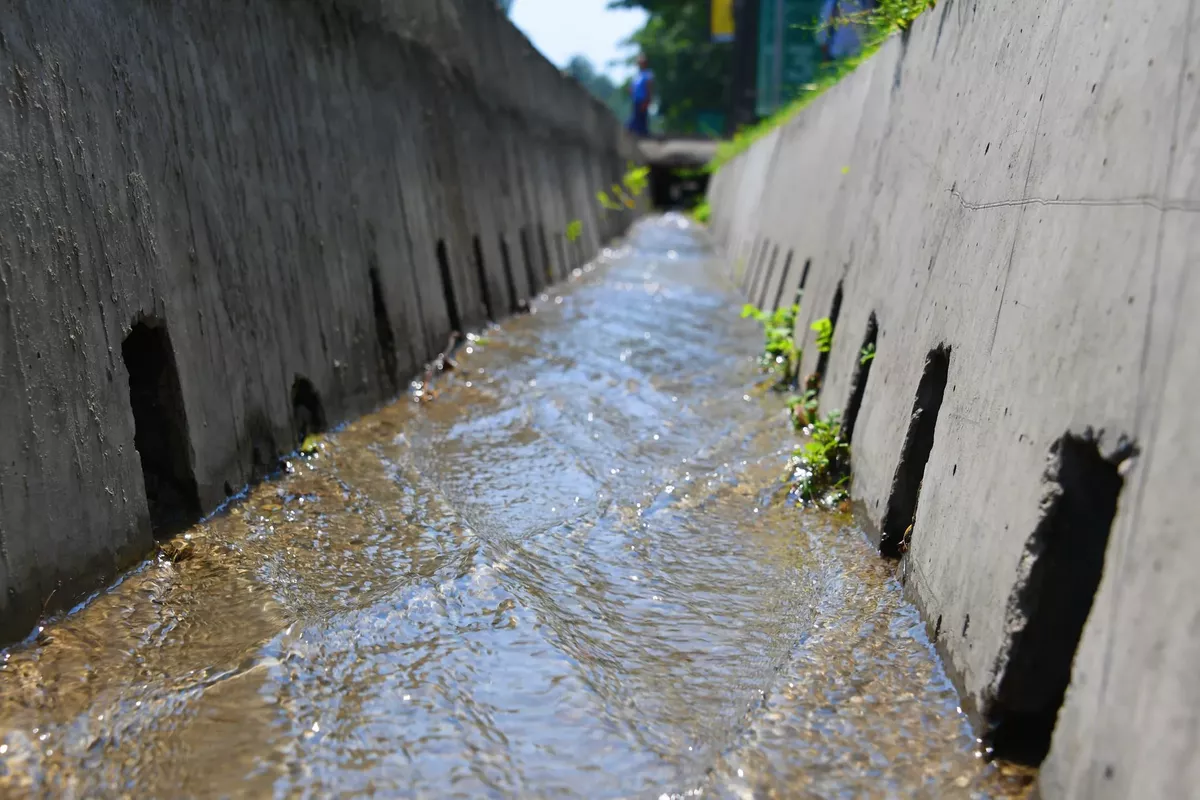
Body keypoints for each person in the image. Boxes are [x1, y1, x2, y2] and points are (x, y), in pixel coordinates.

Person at [627, 54, 654, 137]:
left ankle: (643, 135)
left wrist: (648, 99)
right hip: (636, 100)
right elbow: (633, 87)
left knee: (641, 119)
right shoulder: (637, 75)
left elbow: (649, 87)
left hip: (643, 100)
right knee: (636, 118)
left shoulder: (648, 74)